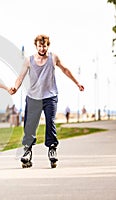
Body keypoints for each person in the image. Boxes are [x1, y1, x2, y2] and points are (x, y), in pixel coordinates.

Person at [12, 35, 84, 168]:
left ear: (48, 46)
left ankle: (52, 148)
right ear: (36, 46)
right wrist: (15, 88)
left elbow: (65, 70)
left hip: (50, 96)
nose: (42, 48)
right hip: (33, 97)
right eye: (40, 46)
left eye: (44, 46)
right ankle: (27, 151)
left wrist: (77, 83)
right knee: (30, 125)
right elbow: (20, 76)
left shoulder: (53, 58)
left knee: (50, 122)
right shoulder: (29, 60)